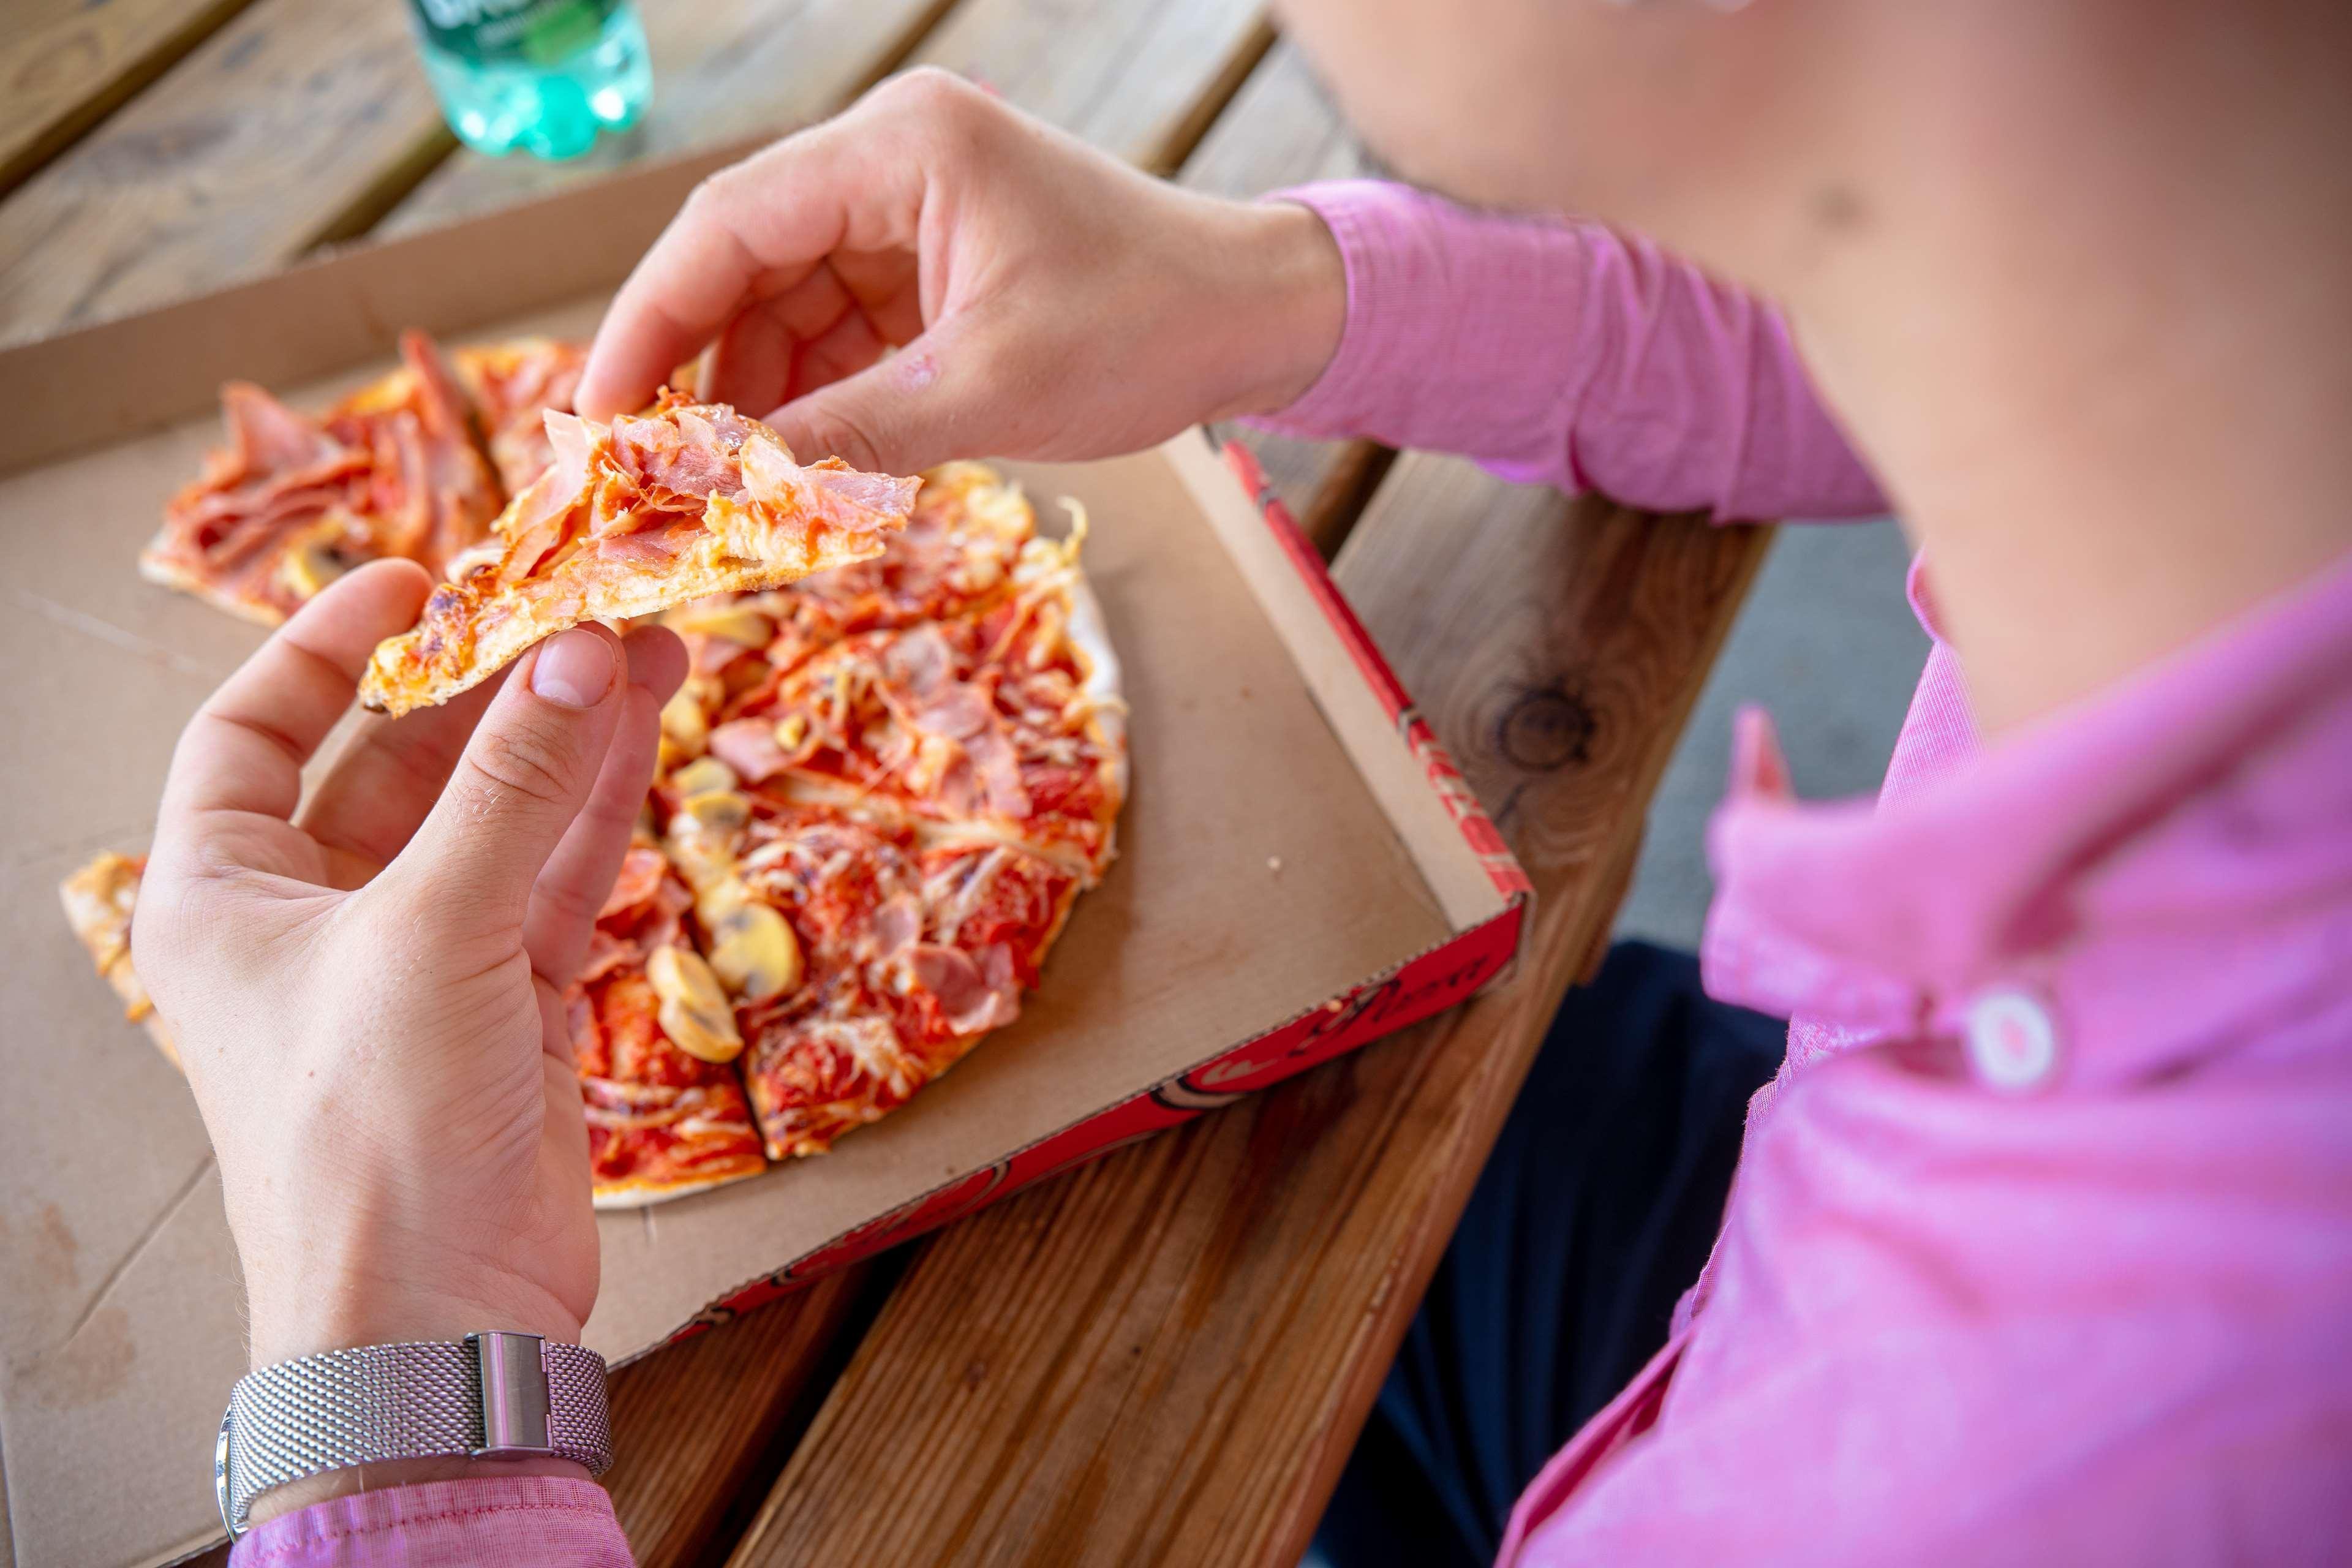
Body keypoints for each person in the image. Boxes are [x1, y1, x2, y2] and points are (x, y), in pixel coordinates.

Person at [135, 1, 2352, 1562]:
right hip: (1765, 1209)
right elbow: (1914, 296)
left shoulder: (2076, 1473)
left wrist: (389, 1372)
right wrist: (1269, 290)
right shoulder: (2218, 236)